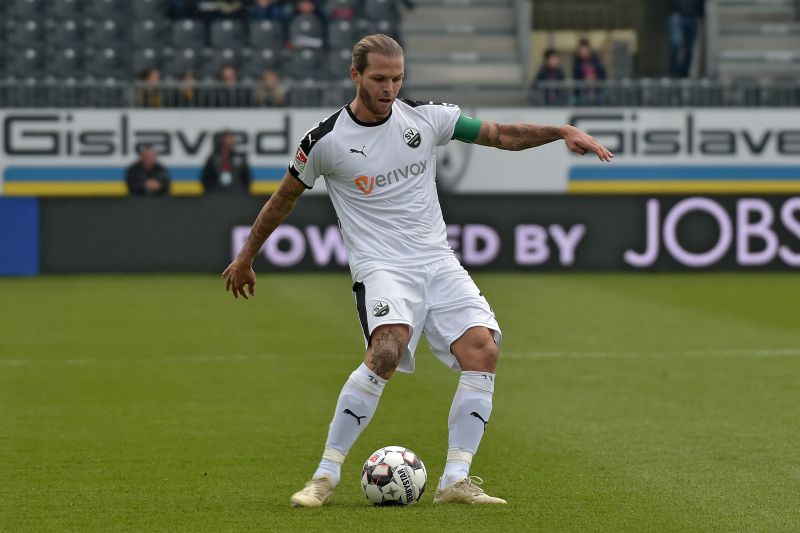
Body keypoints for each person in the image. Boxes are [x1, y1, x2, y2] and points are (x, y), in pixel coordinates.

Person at [222, 34, 612, 507]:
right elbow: (283, 199)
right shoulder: (325, 141)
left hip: (438, 262)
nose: (389, 88)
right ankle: (324, 476)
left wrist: (559, 130)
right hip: (382, 266)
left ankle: (455, 480)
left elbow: (500, 135)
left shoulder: (427, 119)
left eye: (397, 78)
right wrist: (246, 256)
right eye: (379, 78)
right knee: (387, 350)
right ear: (355, 76)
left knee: (483, 350)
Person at [669, 0, 705, 78]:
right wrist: (672, 11)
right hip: (678, 15)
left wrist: (700, 15)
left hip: (693, 17)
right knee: (676, 43)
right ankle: (673, 71)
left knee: (689, 47)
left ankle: (684, 72)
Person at [572, 38, 607, 105]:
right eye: (582, 50)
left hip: (597, 91)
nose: (584, 52)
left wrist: (594, 78)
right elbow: (575, 78)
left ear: (589, 49)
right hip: (582, 92)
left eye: (585, 49)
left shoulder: (596, 61)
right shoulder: (577, 63)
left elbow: (603, 75)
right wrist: (585, 79)